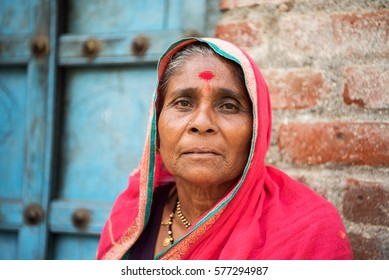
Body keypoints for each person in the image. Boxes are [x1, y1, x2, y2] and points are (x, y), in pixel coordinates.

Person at [96, 37, 353, 260]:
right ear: (157, 129)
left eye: (228, 106)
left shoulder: (308, 230)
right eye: (183, 103)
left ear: (256, 131)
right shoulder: (132, 218)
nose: (202, 123)